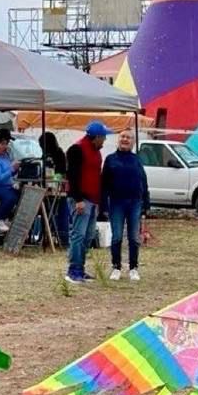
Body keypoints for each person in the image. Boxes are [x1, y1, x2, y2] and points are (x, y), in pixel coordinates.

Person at [101, 129, 150, 281]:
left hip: (135, 203)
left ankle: (133, 268)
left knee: (134, 237)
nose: (125, 140)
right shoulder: (110, 159)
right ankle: (116, 267)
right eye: (122, 137)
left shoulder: (137, 160)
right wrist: (103, 206)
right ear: (118, 139)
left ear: (133, 142)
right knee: (116, 237)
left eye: (128, 138)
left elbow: (144, 183)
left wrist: (145, 206)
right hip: (116, 203)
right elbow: (104, 185)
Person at [65, 121, 108, 284]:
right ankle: (73, 270)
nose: (104, 141)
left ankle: (80, 269)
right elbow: (72, 175)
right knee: (78, 234)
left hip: (93, 199)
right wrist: (78, 199)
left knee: (88, 236)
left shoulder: (97, 152)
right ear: (96, 137)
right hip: (81, 199)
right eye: (103, 137)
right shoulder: (77, 149)